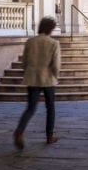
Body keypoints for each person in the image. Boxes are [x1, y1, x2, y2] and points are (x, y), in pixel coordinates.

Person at [13, 16, 61, 149]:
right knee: (50, 108)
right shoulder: (53, 43)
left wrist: (26, 73)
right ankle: (49, 136)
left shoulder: (30, 41)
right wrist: (56, 76)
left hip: (32, 77)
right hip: (48, 79)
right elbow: (56, 65)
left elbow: (24, 61)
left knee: (30, 108)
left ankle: (20, 130)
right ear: (51, 29)